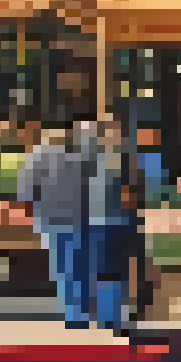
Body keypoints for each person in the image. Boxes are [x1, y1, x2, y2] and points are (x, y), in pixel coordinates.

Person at [19, 126, 92, 327]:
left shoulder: (36, 158)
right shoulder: (79, 159)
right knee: (78, 266)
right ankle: (79, 313)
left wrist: (31, 214)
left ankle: (72, 313)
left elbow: (26, 191)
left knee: (62, 268)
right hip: (78, 219)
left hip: (51, 219)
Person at [85, 119, 144, 335]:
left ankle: (107, 318)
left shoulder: (92, 162)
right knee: (115, 272)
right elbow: (130, 197)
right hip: (116, 223)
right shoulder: (123, 161)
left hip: (98, 222)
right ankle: (116, 320)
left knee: (103, 271)